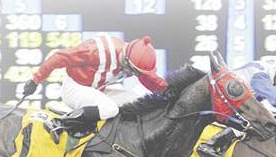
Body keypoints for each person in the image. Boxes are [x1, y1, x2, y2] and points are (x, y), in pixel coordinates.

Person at [21, 35, 167, 143]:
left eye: (137, 72)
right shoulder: (97, 51)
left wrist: (169, 91)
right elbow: (59, 57)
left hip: (96, 89)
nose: (134, 74)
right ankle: (59, 123)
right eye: (133, 70)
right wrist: (35, 80)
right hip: (75, 88)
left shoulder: (133, 59)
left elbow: (150, 80)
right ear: (126, 59)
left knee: (136, 99)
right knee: (110, 109)